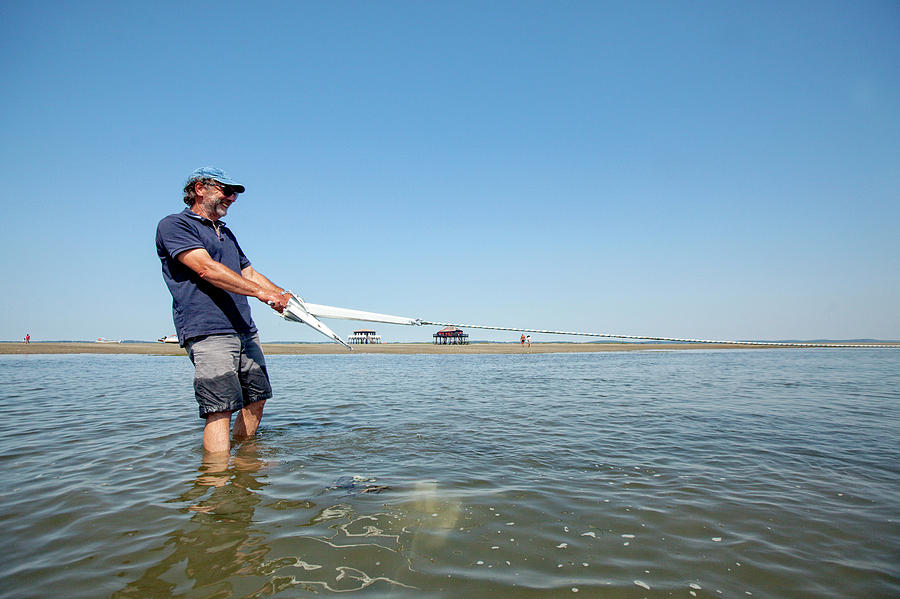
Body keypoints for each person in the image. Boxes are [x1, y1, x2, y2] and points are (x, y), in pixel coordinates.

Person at [156, 167, 291, 454]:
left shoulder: (226, 233)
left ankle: (245, 463)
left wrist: (282, 295)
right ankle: (217, 482)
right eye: (225, 190)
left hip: (244, 328)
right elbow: (206, 269)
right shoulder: (175, 225)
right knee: (220, 406)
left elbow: (249, 273)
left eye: (235, 194)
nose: (231, 198)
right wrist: (264, 295)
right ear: (199, 188)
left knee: (257, 396)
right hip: (208, 329)